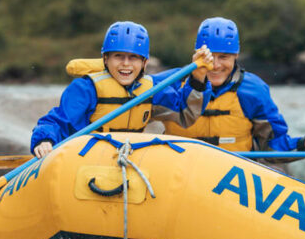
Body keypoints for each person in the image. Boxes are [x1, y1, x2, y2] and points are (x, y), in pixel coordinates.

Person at [159, 17, 305, 160]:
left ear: (236, 56)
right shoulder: (171, 83)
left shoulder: (253, 90)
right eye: (209, 57)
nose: (215, 65)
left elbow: (274, 144)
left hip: (231, 179)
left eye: (224, 57)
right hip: (180, 176)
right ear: (197, 54)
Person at [30, 21, 212, 157]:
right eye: (119, 56)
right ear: (106, 59)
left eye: (133, 58)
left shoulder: (151, 90)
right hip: (89, 162)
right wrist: (44, 139)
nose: (126, 64)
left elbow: (186, 113)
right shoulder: (86, 89)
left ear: (144, 63)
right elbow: (58, 121)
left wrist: (198, 78)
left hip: (130, 161)